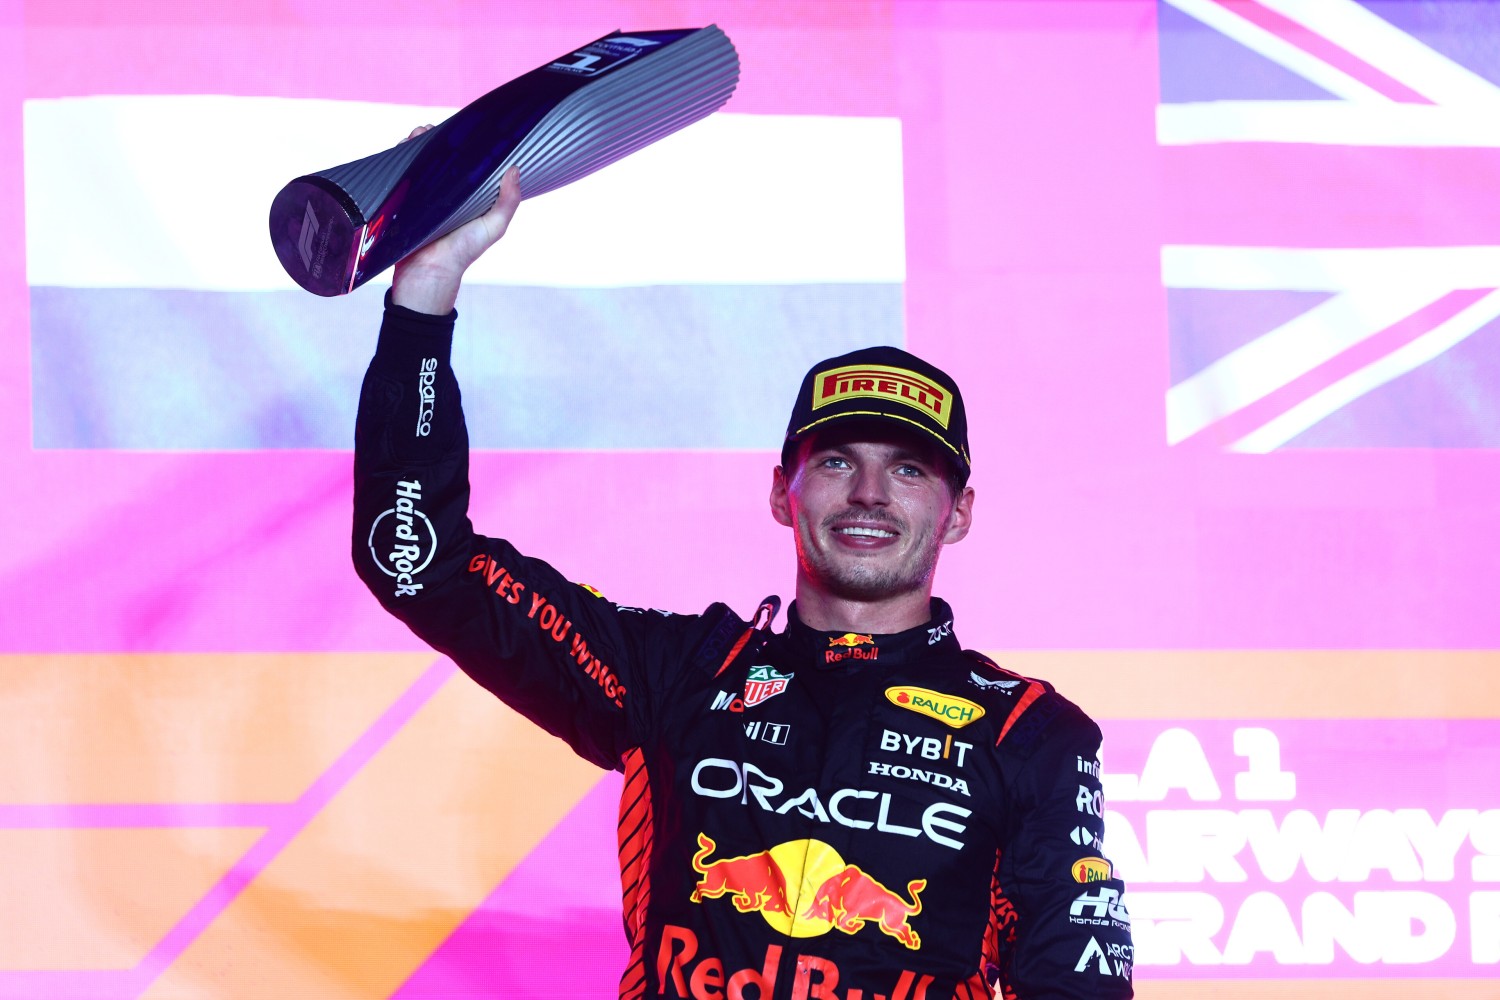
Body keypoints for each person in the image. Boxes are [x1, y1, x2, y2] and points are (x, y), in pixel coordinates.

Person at [352, 154, 1133, 1000]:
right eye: (836, 460)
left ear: (959, 513)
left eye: (908, 471)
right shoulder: (680, 673)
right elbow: (416, 557)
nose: (868, 493)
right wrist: (426, 289)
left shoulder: (1032, 734)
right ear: (779, 491)